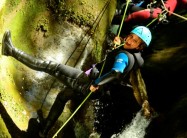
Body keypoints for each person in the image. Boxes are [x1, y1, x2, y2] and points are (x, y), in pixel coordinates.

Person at [1, 25, 152, 137]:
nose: (130, 40)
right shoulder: (133, 57)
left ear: (140, 46)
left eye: (135, 40)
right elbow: (115, 66)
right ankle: (43, 131)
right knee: (63, 96)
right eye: (131, 36)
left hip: (88, 83)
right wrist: (117, 46)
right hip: (96, 89)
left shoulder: (125, 56)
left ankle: (10, 50)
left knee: (51, 66)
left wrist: (96, 82)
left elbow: (116, 73)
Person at [113, 0, 187, 27]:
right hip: (150, 7)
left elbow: (160, 12)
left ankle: (116, 18)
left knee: (151, 14)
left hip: (156, 14)